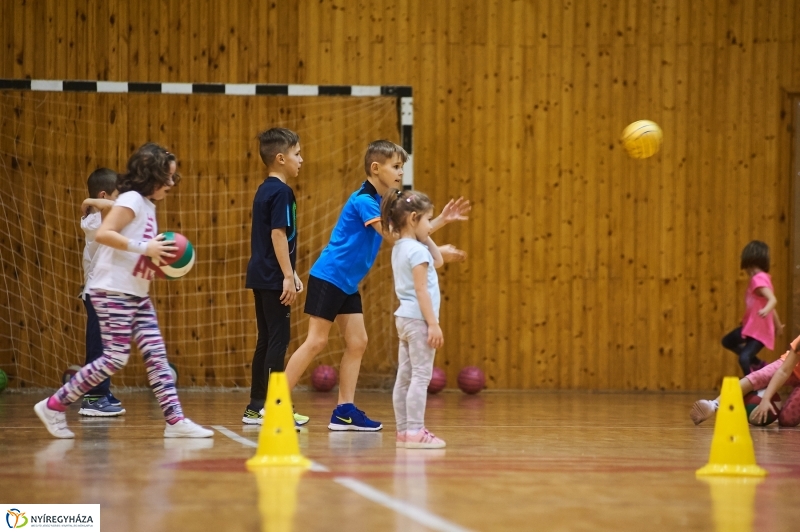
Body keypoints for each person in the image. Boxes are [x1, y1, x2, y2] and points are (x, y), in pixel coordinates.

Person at [283, 139, 470, 431]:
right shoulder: (364, 201)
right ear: (375, 168)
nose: (400, 172)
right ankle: (276, 404)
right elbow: (396, 237)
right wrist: (436, 252)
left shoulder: (383, 202)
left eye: (401, 167)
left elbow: (407, 233)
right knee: (317, 341)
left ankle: (344, 411)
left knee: (358, 342)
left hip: (347, 284)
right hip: (329, 276)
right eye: (395, 166)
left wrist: (442, 220)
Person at [34, 143, 213, 439]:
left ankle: (175, 421)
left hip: (136, 293)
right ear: (151, 175)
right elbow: (105, 234)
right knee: (114, 358)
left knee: (156, 356)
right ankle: (53, 405)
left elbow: (130, 237)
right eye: (167, 177)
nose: (171, 183)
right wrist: (146, 248)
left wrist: (153, 258)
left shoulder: (145, 204)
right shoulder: (132, 199)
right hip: (111, 291)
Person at [242, 128, 308, 427]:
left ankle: (256, 406)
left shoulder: (264, 189)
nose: (301, 160)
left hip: (262, 273)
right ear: (281, 158)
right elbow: (278, 235)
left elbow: (275, 239)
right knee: (278, 341)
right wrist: (286, 276)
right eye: (297, 154)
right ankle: (274, 407)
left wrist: (292, 272)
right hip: (272, 277)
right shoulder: (281, 192)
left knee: (266, 340)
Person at [382, 189, 450, 449]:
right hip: (419, 320)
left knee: (405, 377)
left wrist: (425, 234)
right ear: (413, 219)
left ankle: (404, 432)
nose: (430, 226)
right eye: (427, 220)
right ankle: (416, 432)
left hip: (404, 320)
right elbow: (422, 291)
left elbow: (438, 260)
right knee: (420, 377)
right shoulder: (417, 252)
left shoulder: (401, 248)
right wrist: (433, 324)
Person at [77, 168, 124, 417]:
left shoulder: (106, 219)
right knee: (99, 347)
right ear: (104, 196)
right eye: (119, 195)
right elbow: (116, 207)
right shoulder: (93, 219)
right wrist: (90, 201)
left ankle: (101, 391)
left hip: (107, 292)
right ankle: (93, 398)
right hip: (97, 293)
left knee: (108, 348)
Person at [690, 335, 800, 427]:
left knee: (787, 420)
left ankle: (774, 412)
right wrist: (766, 398)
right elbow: (783, 371)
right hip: (791, 366)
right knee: (759, 377)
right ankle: (714, 404)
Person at [721, 241, 783, 376]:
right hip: (750, 329)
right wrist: (777, 325)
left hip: (758, 331)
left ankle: (752, 383)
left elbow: (772, 300)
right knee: (728, 341)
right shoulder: (763, 277)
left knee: (744, 358)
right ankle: (757, 364)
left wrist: (765, 310)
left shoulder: (758, 279)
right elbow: (770, 305)